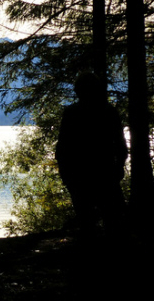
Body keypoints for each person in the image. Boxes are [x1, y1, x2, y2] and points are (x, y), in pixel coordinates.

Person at [55, 72, 128, 236]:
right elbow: (121, 144)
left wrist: (65, 173)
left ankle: (90, 253)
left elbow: (62, 147)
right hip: (105, 172)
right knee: (112, 219)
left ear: (78, 90)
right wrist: (119, 166)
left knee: (87, 221)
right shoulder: (109, 112)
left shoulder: (72, 113)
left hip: (81, 175)